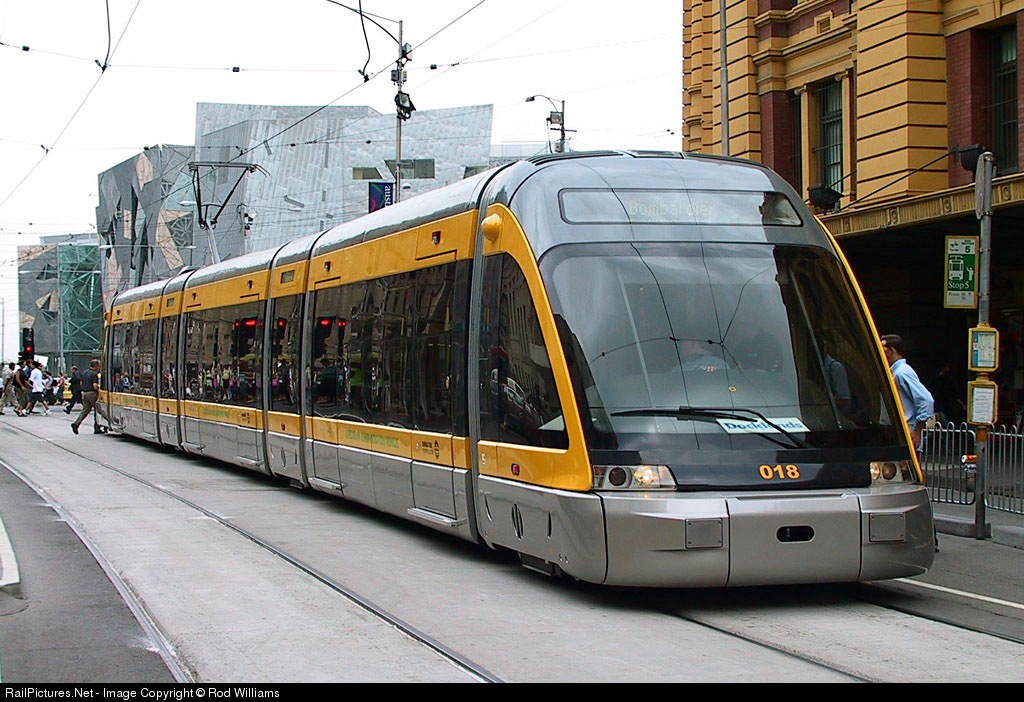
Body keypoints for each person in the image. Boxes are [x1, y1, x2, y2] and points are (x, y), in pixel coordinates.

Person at [71, 358, 116, 435]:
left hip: (84, 393)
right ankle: (105, 425)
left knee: (85, 410)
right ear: (96, 365)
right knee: (99, 410)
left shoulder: (85, 372)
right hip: (92, 394)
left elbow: (81, 383)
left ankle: (76, 423)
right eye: (99, 365)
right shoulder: (94, 374)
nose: (99, 367)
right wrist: (99, 390)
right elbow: (95, 386)